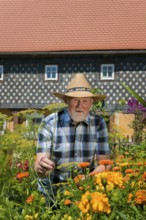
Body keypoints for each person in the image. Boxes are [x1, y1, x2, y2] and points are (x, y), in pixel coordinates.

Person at [34, 73, 111, 196]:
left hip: (86, 187)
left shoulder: (99, 123)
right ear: (66, 101)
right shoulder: (49, 122)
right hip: (53, 189)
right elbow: (40, 161)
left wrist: (88, 179)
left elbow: (106, 164)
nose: (80, 106)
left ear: (92, 102)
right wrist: (42, 168)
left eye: (85, 101)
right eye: (75, 100)